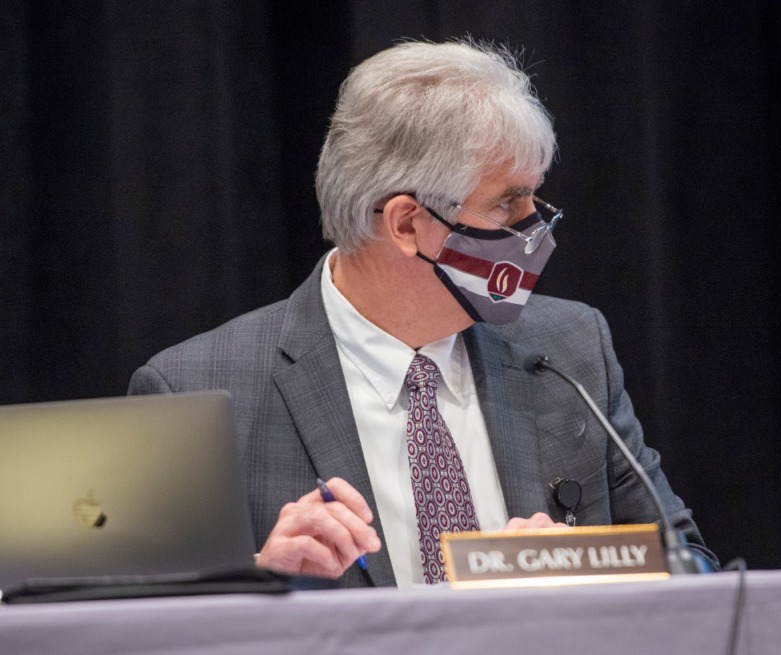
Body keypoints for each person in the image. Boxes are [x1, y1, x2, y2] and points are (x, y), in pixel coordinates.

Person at [128, 39, 717, 588]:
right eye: (508, 203)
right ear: (409, 224)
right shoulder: (197, 392)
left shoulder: (571, 350)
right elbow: (142, 635)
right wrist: (258, 583)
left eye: (535, 196)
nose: (537, 224)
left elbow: (695, 575)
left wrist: (583, 583)